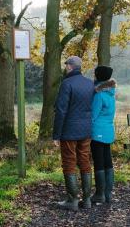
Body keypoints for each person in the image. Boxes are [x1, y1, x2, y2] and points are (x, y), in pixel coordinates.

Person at [53, 56, 95, 211]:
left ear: (70, 67)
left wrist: (56, 134)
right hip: (86, 130)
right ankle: (88, 200)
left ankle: (72, 200)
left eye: (66, 66)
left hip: (69, 131)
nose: (65, 68)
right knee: (84, 161)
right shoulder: (90, 83)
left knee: (69, 162)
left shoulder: (66, 84)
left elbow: (61, 110)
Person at [90, 66, 116, 204]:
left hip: (97, 132)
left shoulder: (99, 95)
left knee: (99, 162)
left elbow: (93, 115)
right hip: (108, 131)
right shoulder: (111, 92)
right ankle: (108, 193)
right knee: (107, 161)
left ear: (98, 76)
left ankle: (100, 194)